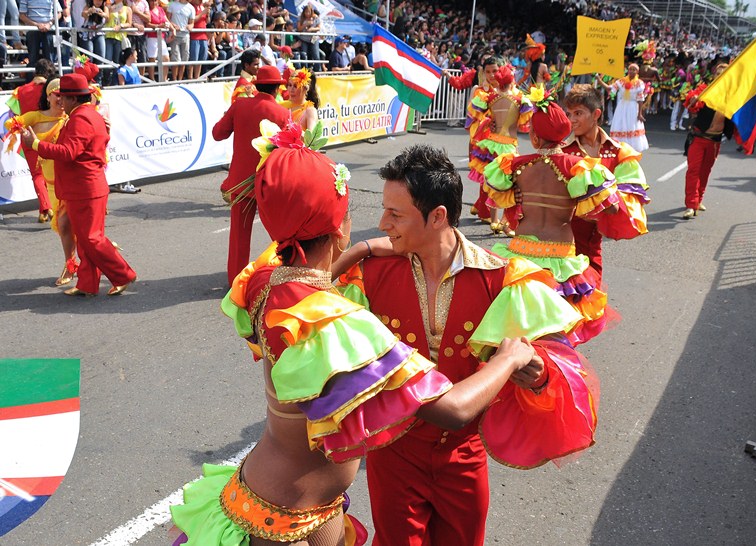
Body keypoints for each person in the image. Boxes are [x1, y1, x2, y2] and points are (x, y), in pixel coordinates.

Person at [170, 122, 540, 546]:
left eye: (393, 214)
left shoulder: (265, 283)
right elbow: (453, 409)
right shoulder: (340, 324)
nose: (380, 224)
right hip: (281, 517)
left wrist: (361, 249)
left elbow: (315, 279)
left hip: (297, 500)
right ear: (339, 227)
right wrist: (509, 357)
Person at [334, 144, 599, 546]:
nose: (382, 223)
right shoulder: (369, 274)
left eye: (395, 214)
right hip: (393, 456)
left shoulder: (502, 278)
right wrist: (359, 249)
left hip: (463, 457)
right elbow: (317, 304)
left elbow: (556, 362)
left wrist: (538, 372)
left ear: (438, 216)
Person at [482, 89, 618, 344]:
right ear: (563, 133)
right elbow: (612, 208)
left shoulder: (515, 166)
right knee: (558, 327)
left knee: (520, 324)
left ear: (534, 137)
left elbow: (496, 194)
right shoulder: (578, 168)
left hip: (521, 252)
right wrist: (579, 199)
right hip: (560, 256)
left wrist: (519, 195)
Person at [21, 73, 137, 297]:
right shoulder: (87, 114)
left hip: (85, 188)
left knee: (91, 238)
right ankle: (87, 283)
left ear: (73, 98)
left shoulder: (80, 118)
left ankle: (123, 274)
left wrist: (35, 144)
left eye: (62, 96)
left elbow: (68, 152)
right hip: (86, 187)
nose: (59, 101)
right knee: (85, 239)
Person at [212, 65, 290, 287]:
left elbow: (217, 134)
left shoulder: (240, 105)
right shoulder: (282, 113)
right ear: (277, 89)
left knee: (239, 235)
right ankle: (287, 273)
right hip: (269, 182)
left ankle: (236, 282)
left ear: (257, 86)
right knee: (281, 232)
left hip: (240, 182)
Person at [562, 84, 650, 278]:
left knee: (594, 283)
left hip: (594, 242)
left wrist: (607, 202)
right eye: (569, 114)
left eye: (578, 113)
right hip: (563, 242)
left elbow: (629, 196)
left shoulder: (619, 151)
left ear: (596, 114)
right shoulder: (561, 151)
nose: (571, 120)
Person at [4, 77, 75, 286]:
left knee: (72, 225)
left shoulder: (71, 118)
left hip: (71, 181)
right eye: (57, 94)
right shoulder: (36, 116)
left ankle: (83, 263)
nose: (61, 99)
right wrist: (21, 130)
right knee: (64, 227)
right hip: (52, 185)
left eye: (64, 95)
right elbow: (11, 122)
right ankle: (72, 263)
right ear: (48, 96)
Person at [470, 64, 532, 236]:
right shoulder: (520, 100)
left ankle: (494, 220)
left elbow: (477, 115)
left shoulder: (488, 98)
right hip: (509, 145)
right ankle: (506, 223)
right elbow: (524, 122)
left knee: (493, 183)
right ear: (512, 81)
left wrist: (490, 121)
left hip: (491, 144)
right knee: (510, 184)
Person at [681, 63, 734, 219]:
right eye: (718, 73)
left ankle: (698, 199)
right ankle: (691, 204)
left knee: (705, 171)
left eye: (724, 73)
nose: (720, 76)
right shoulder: (705, 90)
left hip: (715, 141)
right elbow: (691, 105)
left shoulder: (732, 96)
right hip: (698, 138)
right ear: (714, 75)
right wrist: (693, 100)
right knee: (693, 171)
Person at [5, 58, 56, 223]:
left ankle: (44, 209)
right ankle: (47, 207)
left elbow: (14, 114)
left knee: (37, 173)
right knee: (49, 172)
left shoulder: (20, 90)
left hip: (27, 134)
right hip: (49, 133)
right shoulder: (50, 89)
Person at [465, 56, 498, 224]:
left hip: (501, 139)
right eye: (488, 72)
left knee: (496, 175)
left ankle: (480, 205)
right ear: (483, 73)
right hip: (482, 139)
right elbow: (472, 116)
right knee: (486, 175)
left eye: (495, 71)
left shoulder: (507, 90)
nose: (492, 75)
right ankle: (484, 211)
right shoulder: (478, 90)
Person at [596, 63, 649, 153]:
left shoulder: (639, 83)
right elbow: (609, 88)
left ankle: (632, 147)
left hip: (633, 107)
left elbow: (640, 99)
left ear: (637, 71)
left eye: (634, 69)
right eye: (630, 69)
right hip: (622, 106)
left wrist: (639, 114)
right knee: (620, 123)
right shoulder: (622, 81)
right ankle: (620, 145)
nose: (631, 71)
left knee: (631, 125)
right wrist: (599, 80)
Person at [19, 0, 57, 75]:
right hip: (32, 30)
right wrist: (36, 25)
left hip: (48, 30)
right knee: (32, 59)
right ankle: (32, 80)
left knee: (49, 59)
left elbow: (59, 13)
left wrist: (49, 24)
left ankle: (50, 80)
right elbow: (21, 16)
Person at [104, 0, 132, 86]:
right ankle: (106, 82)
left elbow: (129, 23)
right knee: (107, 60)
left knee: (117, 62)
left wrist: (121, 26)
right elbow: (106, 19)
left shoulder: (127, 9)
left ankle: (115, 83)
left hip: (120, 38)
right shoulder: (109, 7)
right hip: (109, 36)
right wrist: (109, 9)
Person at [144, 0, 171, 81]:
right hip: (151, 36)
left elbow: (166, 20)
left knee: (166, 58)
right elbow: (147, 24)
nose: (153, 2)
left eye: (155, 0)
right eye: (152, 1)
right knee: (152, 58)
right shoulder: (147, 10)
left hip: (161, 36)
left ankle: (164, 79)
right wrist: (159, 26)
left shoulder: (160, 9)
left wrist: (172, 28)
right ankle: (152, 80)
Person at [167, 0, 194, 81]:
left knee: (184, 58)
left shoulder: (191, 8)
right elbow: (167, 19)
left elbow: (192, 23)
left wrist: (190, 26)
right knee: (176, 58)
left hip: (185, 35)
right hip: (174, 35)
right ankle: (174, 80)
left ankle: (180, 80)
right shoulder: (172, 4)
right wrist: (173, 26)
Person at [187, 0, 209, 80]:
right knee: (193, 58)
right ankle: (190, 78)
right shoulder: (191, 7)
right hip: (194, 36)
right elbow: (193, 20)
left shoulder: (202, 7)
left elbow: (207, 21)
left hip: (203, 35)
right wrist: (202, 13)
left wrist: (207, 15)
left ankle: (197, 77)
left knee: (201, 59)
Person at [296, 4, 320, 68]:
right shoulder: (300, 18)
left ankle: (318, 69)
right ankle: (305, 69)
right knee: (304, 54)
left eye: (309, 12)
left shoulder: (316, 18)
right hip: (304, 39)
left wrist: (312, 29)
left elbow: (319, 28)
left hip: (314, 38)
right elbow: (299, 29)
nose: (307, 14)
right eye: (306, 12)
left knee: (316, 55)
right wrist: (305, 24)